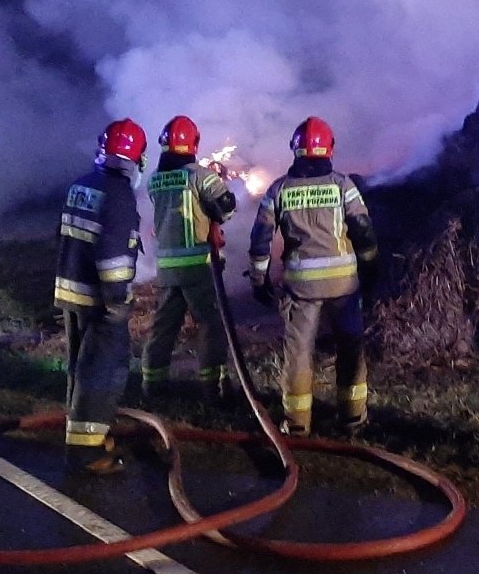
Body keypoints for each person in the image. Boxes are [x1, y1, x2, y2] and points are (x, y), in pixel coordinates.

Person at [248, 117, 377, 436]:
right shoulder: (342, 185)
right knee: (350, 349)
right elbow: (363, 230)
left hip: (301, 288)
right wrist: (370, 269)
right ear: (329, 149)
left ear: (295, 149)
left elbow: (260, 240)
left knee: (299, 354)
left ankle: (297, 424)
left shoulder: (279, 189)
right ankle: (353, 418)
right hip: (344, 285)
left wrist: (259, 281)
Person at [55, 118, 145, 474]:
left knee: (81, 368)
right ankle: (87, 453)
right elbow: (113, 257)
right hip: (100, 299)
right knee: (103, 372)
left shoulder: (82, 185)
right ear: (137, 159)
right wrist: (118, 299)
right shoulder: (119, 195)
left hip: (71, 290)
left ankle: (80, 436)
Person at [141, 115, 238, 404]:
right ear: (193, 143)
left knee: (163, 327)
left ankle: (152, 387)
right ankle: (212, 389)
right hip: (198, 266)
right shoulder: (201, 176)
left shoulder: (154, 180)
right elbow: (226, 209)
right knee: (211, 325)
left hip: (167, 268)